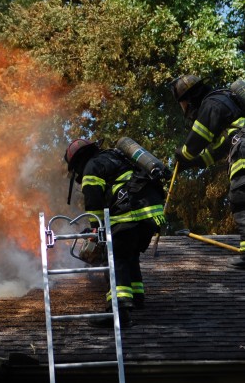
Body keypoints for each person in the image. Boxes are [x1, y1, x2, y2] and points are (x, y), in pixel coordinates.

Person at [64, 138, 166, 327]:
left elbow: (93, 203)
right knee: (130, 255)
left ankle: (119, 312)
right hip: (150, 215)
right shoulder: (115, 157)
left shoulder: (91, 167)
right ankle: (137, 298)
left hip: (130, 215)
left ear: (77, 162)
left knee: (115, 258)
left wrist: (95, 229)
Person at [171, 74, 245, 268]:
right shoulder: (229, 105)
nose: (184, 109)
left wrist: (184, 155)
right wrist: (194, 163)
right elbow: (220, 148)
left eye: (183, 103)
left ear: (189, 98)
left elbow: (197, 139)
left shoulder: (211, 104)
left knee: (241, 199)